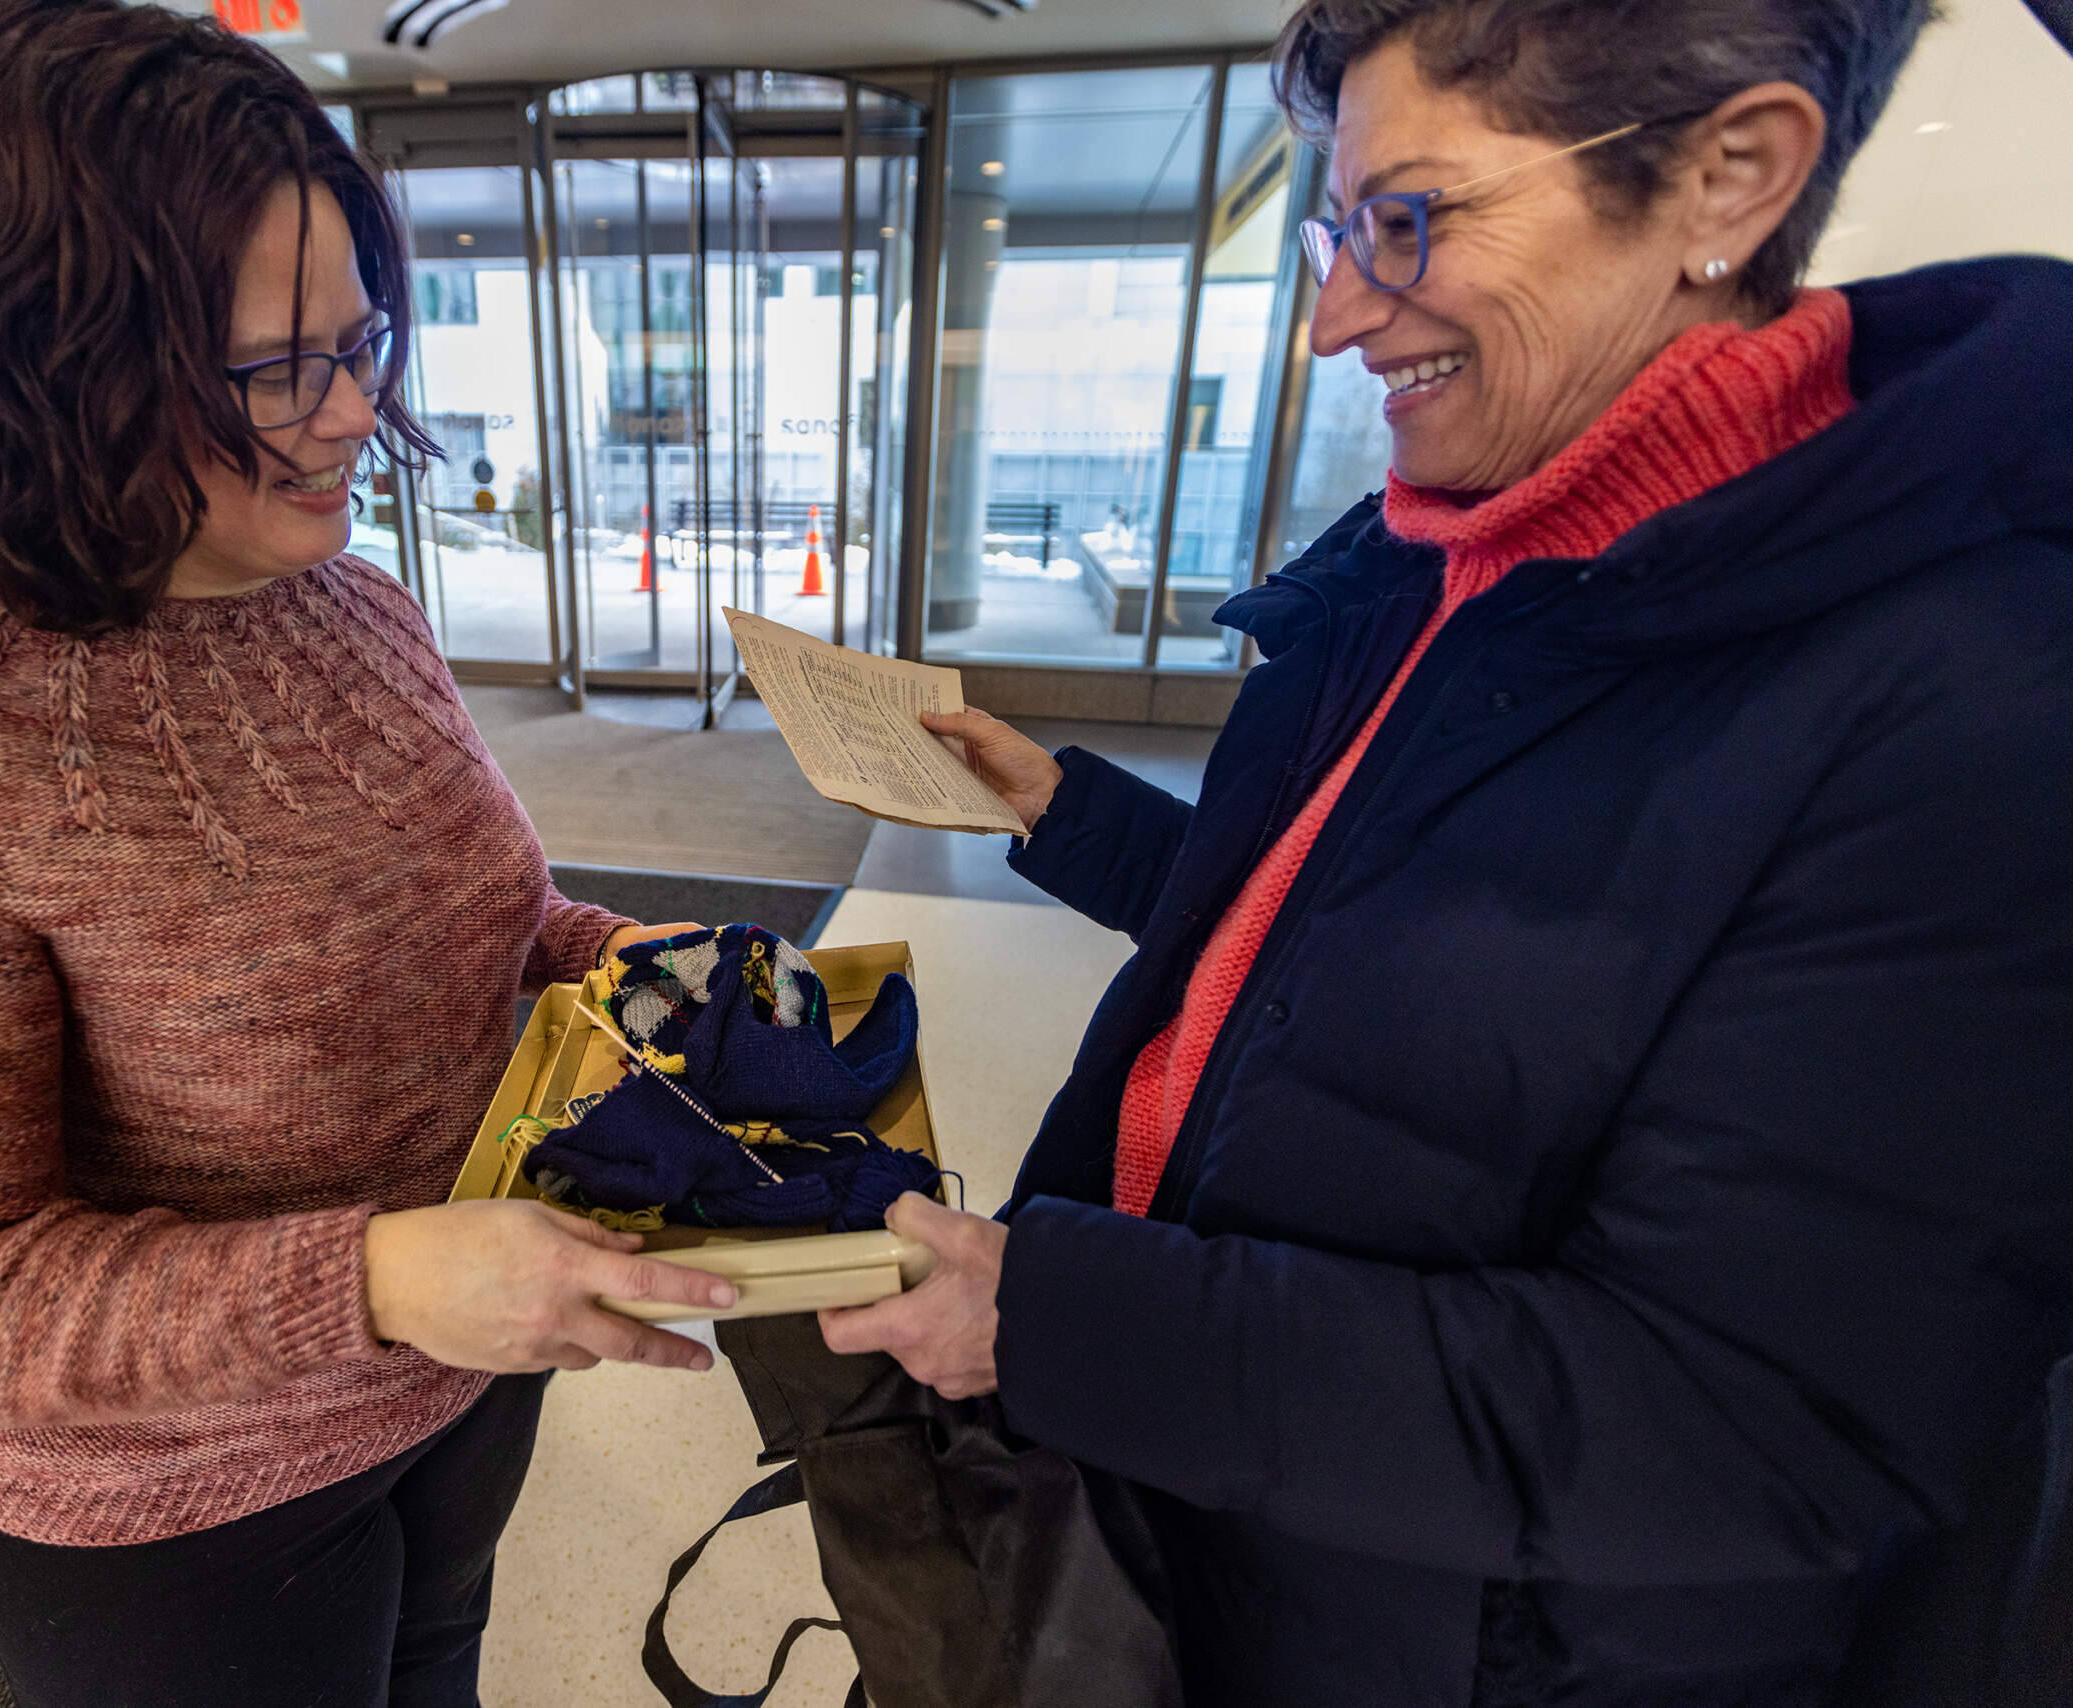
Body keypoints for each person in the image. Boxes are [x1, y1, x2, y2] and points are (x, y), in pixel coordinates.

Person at [825, 0, 2073, 1700]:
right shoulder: (1455, 541)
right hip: (1192, 1522)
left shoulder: (1974, 698)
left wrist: (1062, 1322)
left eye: (1407, 220)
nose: (1336, 317)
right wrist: (1064, 810)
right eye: (1343, 229)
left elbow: (1745, 1421)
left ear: (1732, 177)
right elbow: (1317, 948)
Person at [0, 3, 731, 1703]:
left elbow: (489, 926)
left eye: (364, 344)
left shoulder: (354, 609)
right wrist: (369, 1283)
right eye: (271, 370)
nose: (350, 413)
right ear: (48, 365)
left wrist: (623, 959)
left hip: (454, 1389)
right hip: (166, 1515)